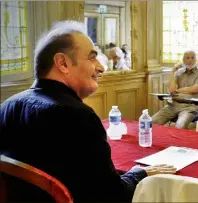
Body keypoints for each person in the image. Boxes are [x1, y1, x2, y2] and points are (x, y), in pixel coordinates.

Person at [0, 21, 175, 203]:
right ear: (63, 63)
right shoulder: (77, 117)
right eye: (92, 57)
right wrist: (140, 173)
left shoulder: (7, 106)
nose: (101, 67)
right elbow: (112, 196)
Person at [152, 50, 198, 129]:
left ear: (196, 60)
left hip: (190, 107)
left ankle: (178, 141)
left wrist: (178, 90)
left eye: (192, 58)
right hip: (173, 105)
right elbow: (172, 90)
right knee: (151, 122)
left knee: (180, 126)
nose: (190, 60)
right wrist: (173, 71)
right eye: (187, 58)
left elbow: (195, 88)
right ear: (183, 60)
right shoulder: (178, 72)